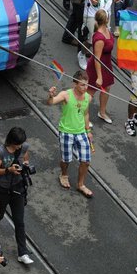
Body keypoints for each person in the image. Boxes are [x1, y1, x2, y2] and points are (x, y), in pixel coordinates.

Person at [0, 127, 33, 265]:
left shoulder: (23, 146)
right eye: (18, 144)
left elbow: (25, 157)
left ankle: (23, 252)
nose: (20, 146)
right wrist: (9, 170)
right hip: (1, 189)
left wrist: (24, 165)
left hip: (18, 188)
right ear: (11, 141)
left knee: (19, 221)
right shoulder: (0, 152)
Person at [46, 70, 94, 198]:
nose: (85, 88)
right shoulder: (66, 95)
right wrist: (51, 95)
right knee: (66, 160)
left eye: (87, 85)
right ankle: (63, 174)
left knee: (86, 161)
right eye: (82, 85)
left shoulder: (88, 97)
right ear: (75, 84)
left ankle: (80, 184)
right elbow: (51, 103)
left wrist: (88, 130)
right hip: (66, 132)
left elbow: (85, 113)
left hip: (81, 132)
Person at [86, 9, 115, 124]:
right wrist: (99, 76)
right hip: (97, 67)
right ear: (106, 19)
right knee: (90, 92)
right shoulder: (99, 38)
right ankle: (82, 116)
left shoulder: (107, 30)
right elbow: (97, 59)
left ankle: (102, 112)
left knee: (106, 88)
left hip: (106, 64)